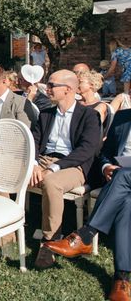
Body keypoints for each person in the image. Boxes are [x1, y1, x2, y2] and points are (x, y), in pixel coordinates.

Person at [44, 109, 131, 301]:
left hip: (125, 177)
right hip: (123, 182)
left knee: (123, 176)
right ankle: (121, 279)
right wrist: (106, 167)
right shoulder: (123, 117)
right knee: (127, 202)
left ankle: (86, 235)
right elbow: (106, 153)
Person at [29, 70, 101, 269]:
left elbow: (87, 150)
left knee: (51, 182)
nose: (47, 88)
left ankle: (49, 242)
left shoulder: (89, 115)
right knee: (4, 170)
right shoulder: (45, 114)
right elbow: (33, 142)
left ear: (68, 89)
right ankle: (6, 233)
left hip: (73, 165)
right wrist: (34, 164)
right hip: (43, 160)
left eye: (52, 85)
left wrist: (53, 168)